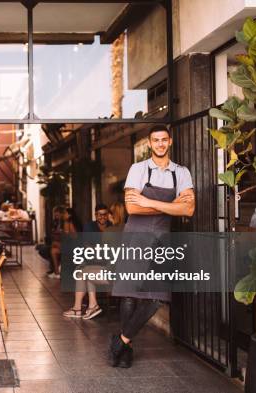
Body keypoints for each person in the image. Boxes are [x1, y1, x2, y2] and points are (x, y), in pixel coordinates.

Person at [110, 124, 195, 368]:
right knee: (129, 296)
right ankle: (126, 351)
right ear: (150, 143)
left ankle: (122, 340)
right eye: (155, 140)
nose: (159, 144)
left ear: (170, 142)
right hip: (136, 236)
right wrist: (171, 206)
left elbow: (188, 208)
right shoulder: (138, 169)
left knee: (156, 298)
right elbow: (132, 208)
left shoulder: (181, 173)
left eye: (163, 140)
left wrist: (148, 200)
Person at [64, 203, 112, 319]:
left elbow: (111, 250)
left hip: (107, 262)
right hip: (92, 259)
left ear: (108, 215)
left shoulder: (112, 227)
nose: (102, 217)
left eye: (104, 214)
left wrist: (99, 250)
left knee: (82, 272)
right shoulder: (89, 226)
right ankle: (86, 307)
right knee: (81, 270)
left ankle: (81, 308)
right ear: (95, 215)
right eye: (99, 215)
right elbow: (87, 246)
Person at [49, 207, 81, 279]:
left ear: (70, 215)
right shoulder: (66, 222)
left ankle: (60, 267)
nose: (64, 215)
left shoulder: (70, 222)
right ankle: (57, 273)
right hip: (68, 245)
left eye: (65, 213)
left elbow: (74, 237)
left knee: (54, 244)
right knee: (53, 251)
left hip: (74, 246)